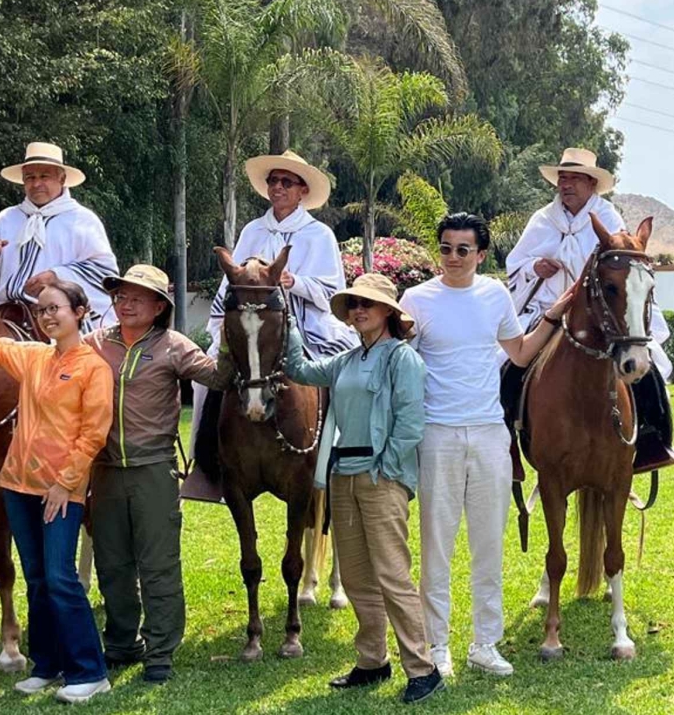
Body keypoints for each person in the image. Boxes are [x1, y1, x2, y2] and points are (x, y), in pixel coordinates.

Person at [401, 212, 577, 679]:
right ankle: (437, 647)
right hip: (436, 434)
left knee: (487, 545)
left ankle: (486, 644)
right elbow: (403, 367)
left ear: (481, 255)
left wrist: (554, 314)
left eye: (463, 250)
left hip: (489, 434)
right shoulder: (415, 300)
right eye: (445, 248)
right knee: (436, 546)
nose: (453, 257)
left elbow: (519, 352)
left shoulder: (495, 294)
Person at [0, 272, 114, 702]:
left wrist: (64, 484)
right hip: (17, 486)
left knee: (60, 577)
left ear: (80, 313)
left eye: (55, 308)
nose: (47, 316)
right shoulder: (33, 356)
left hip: (60, 492)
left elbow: (94, 434)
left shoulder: (94, 369)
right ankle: (47, 665)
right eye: (41, 310)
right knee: (35, 578)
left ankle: (90, 670)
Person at [283, 273, 444, 705]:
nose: (358, 311)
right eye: (353, 304)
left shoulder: (401, 360)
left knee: (392, 574)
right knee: (355, 577)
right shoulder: (348, 359)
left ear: (388, 312)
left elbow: (411, 421)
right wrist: (287, 323)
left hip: (379, 477)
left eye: (366, 304)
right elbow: (300, 370)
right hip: (343, 475)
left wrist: (387, 469)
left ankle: (423, 669)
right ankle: (372, 661)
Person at [184, 149, 357, 500]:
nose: (277, 187)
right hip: (251, 325)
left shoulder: (318, 234)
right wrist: (222, 323)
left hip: (306, 326)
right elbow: (230, 282)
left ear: (301, 190)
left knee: (344, 373)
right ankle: (205, 465)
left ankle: (336, 457)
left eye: (285, 182)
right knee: (207, 375)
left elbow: (332, 289)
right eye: (272, 181)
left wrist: (297, 282)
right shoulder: (252, 229)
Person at [87, 265, 228, 683]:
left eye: (137, 297)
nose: (125, 304)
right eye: (121, 296)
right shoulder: (95, 343)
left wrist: (240, 336)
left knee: (157, 564)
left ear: (158, 306)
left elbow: (219, 377)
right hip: (104, 470)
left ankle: (161, 651)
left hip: (154, 469)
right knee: (111, 563)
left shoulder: (174, 346)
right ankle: (121, 643)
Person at [504, 146, 674, 472]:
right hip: (548, 313)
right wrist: (534, 268)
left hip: (600, 318)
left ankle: (652, 440)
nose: (566, 185)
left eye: (574, 179)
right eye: (562, 178)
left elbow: (624, 267)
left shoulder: (610, 219)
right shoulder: (542, 220)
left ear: (591, 184)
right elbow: (515, 264)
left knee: (648, 366)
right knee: (507, 364)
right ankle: (510, 447)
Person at [0, 141, 117, 331]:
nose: (36, 183)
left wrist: (57, 276)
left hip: (55, 317)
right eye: (30, 177)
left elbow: (104, 273)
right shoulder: (7, 218)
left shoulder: (82, 220)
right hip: (3, 312)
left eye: (44, 176)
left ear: (62, 179)